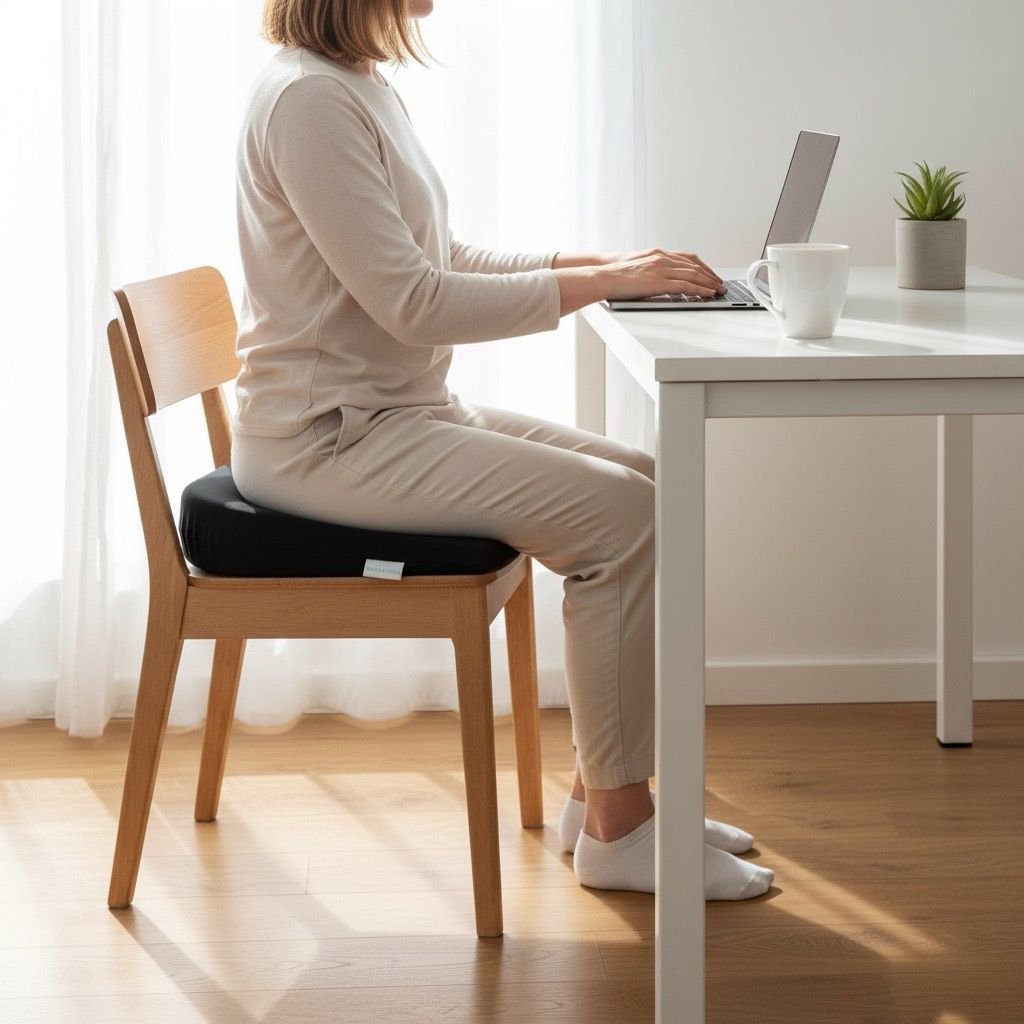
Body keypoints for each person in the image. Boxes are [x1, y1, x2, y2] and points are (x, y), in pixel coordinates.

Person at [232, 0, 774, 901]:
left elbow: (439, 257)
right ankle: (623, 833)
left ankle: (600, 799)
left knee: (645, 483)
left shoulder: (359, 85)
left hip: (396, 412)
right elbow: (416, 303)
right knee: (625, 519)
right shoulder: (307, 104)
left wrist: (607, 265)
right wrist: (598, 283)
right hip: (325, 440)